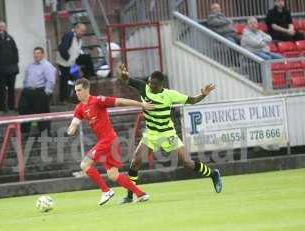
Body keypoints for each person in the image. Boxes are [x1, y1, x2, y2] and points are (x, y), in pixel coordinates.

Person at [118, 65, 222, 204]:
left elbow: (191, 100)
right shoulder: (144, 88)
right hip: (151, 134)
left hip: (168, 133)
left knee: (187, 162)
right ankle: (130, 196)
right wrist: (124, 76)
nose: (151, 86)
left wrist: (202, 94)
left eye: (154, 84)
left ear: (161, 85)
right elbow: (127, 81)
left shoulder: (170, 95)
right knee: (135, 161)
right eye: (149, 82)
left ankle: (213, 174)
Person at [67, 78, 153, 205]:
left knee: (84, 165)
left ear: (86, 89)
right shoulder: (79, 108)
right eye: (76, 91)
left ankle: (106, 191)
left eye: (79, 90)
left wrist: (141, 104)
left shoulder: (98, 101)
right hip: (107, 141)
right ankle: (140, 194)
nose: (77, 93)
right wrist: (70, 130)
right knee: (113, 175)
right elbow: (74, 124)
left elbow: (121, 102)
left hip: (108, 140)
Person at [19, 47, 56, 135]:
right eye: (35, 53)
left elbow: (51, 80)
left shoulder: (47, 66)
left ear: (43, 54)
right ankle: (25, 132)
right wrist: (25, 89)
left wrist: (46, 93)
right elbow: (26, 78)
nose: (36, 55)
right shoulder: (30, 65)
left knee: (42, 113)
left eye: (38, 53)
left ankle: (45, 133)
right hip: (28, 92)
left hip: (40, 92)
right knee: (23, 110)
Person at [0, 21, 19, 112]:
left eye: (2, 26)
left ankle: (11, 106)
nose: (0, 28)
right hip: (1, 69)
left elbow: (15, 51)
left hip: (11, 69)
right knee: (2, 90)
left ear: (5, 27)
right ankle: (3, 107)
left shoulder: (10, 38)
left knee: (11, 89)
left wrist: (14, 62)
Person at [56, 23, 87, 102]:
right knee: (65, 80)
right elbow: (62, 48)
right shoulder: (69, 35)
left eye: (84, 31)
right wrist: (68, 58)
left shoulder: (79, 40)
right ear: (76, 29)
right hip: (64, 63)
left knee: (77, 79)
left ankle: (75, 98)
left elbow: (76, 51)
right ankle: (63, 99)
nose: (82, 33)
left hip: (72, 63)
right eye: (81, 31)